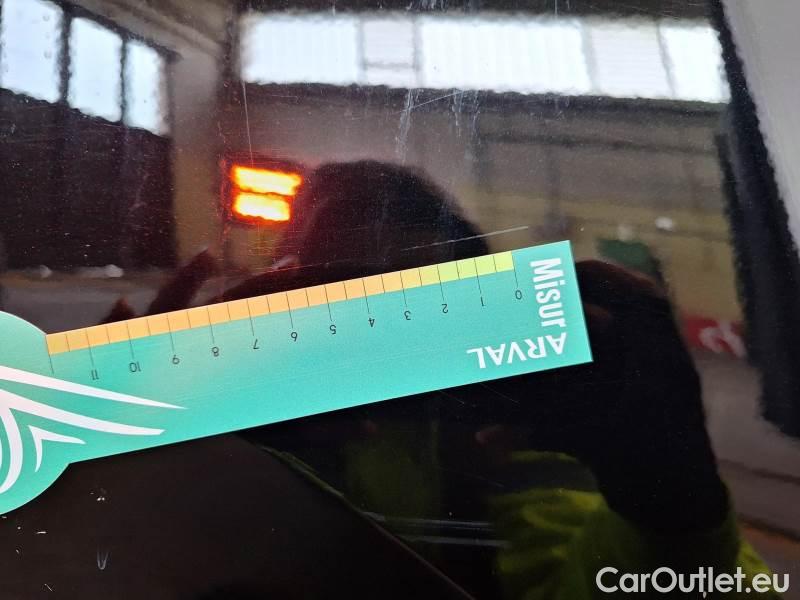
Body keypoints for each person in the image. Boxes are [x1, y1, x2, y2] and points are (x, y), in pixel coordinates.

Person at [104, 160, 781, 598]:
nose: (370, 351)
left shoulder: (515, 444)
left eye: (418, 315)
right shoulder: (215, 413)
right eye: (322, 313)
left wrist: (673, 509)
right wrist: (127, 443)